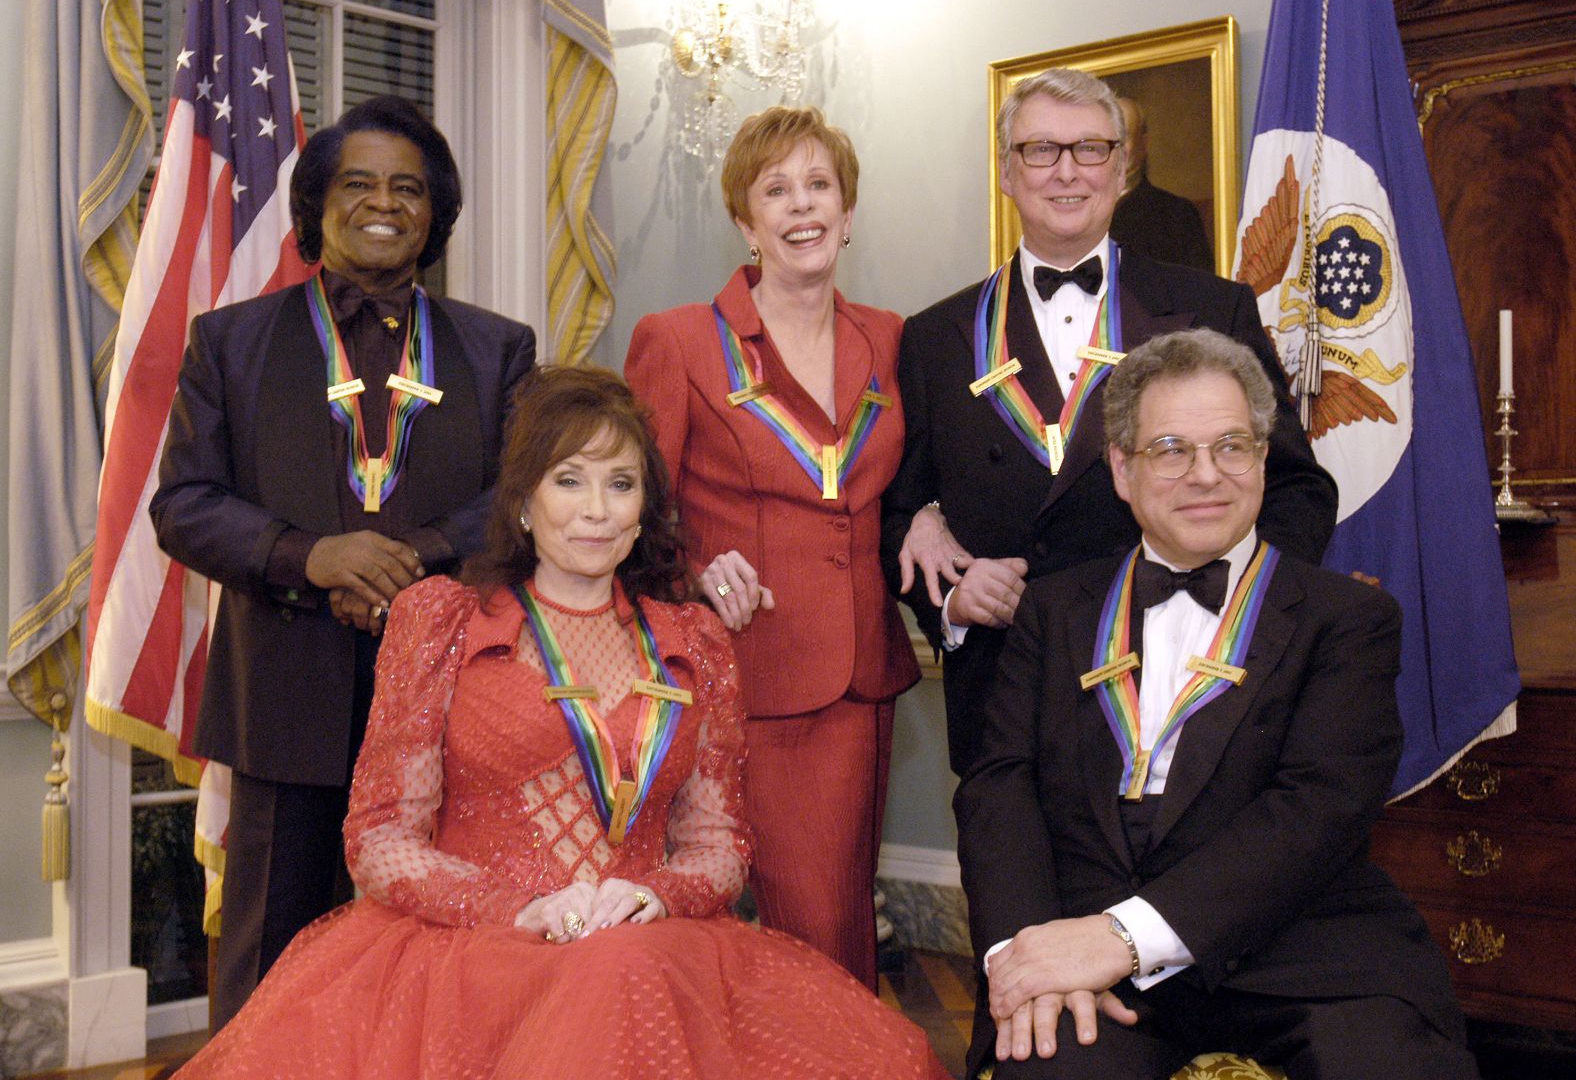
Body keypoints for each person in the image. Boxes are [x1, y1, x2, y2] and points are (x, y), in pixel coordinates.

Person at [172, 366, 947, 1079]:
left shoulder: (697, 643)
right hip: (474, 956)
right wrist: (518, 909)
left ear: (645, 509)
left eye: (621, 483)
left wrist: (658, 895)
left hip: (649, 946)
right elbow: (378, 840)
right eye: (569, 480)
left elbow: (719, 848)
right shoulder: (442, 623)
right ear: (522, 501)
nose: (596, 509)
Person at [953, 330, 1477, 1079]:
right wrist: (1021, 953)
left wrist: (1125, 935)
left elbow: (1316, 811)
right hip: (1088, 950)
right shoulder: (1053, 611)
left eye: (1232, 445)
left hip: (1301, 951)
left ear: (1263, 459)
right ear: (1123, 470)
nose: (1207, 475)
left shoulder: (1347, 619)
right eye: (1172, 449)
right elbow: (999, 786)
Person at [150, 96, 536, 1028]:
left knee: (429, 964)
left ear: (433, 214)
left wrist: (414, 557)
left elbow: (525, 498)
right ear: (317, 202)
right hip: (281, 697)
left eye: (408, 188)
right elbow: (183, 505)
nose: (383, 203)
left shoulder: (498, 350)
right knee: (267, 965)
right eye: (358, 183)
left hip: (453, 709)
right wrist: (311, 555)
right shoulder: (230, 342)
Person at [881, 67, 1336, 777]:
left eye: (1091, 148)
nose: (1067, 171)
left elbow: (1298, 492)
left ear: (1123, 168)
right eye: (1041, 150)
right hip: (1008, 707)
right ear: (1007, 171)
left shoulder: (1213, 308)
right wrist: (951, 602)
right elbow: (897, 512)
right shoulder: (934, 335)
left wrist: (1228, 614)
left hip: (1189, 692)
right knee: (1014, 888)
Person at [625, 106, 920, 989]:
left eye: (820, 185)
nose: (803, 206)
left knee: (842, 924)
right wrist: (695, 567)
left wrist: (933, 516)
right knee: (809, 932)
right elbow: (630, 510)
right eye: (777, 189)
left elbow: (915, 481)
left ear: (849, 210)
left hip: (864, 675)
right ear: (747, 222)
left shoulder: (891, 338)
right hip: (742, 674)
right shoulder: (676, 339)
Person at [1110, 96, 1214, 272]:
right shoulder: (1077, 210)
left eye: (1124, 136)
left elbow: (1197, 292)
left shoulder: (1176, 215)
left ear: (1144, 144)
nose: (1116, 147)